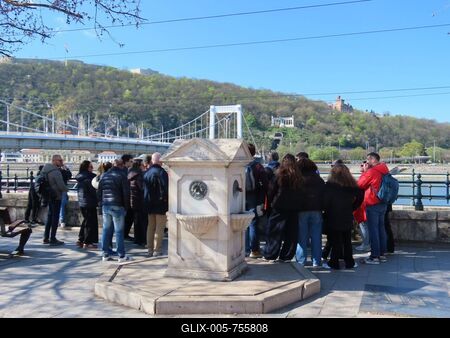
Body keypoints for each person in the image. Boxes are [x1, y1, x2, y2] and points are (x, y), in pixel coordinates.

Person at [322, 164, 364, 269]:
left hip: (332, 215)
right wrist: (352, 208)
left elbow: (324, 202)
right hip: (346, 215)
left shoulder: (329, 186)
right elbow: (360, 197)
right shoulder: (352, 186)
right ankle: (350, 262)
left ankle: (334, 263)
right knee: (347, 241)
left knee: (335, 240)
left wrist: (327, 209)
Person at [264, 154, 302, 262]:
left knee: (275, 231)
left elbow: (271, 190)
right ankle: (286, 255)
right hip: (294, 207)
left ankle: (271, 254)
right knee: (291, 233)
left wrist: (271, 203)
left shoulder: (278, 174)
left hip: (279, 206)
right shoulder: (298, 177)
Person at [358, 152, 389, 265]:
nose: (366, 162)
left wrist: (365, 172)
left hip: (373, 202)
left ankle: (375, 256)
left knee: (373, 230)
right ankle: (382, 254)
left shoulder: (372, 171)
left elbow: (359, 185)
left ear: (372, 159)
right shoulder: (384, 169)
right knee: (381, 228)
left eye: (367, 160)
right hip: (383, 203)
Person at [98, 159, 131, 262]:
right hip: (117, 205)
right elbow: (126, 193)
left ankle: (105, 254)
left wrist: (100, 205)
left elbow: (99, 192)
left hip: (106, 205)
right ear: (121, 166)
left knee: (106, 230)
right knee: (119, 231)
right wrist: (126, 207)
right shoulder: (122, 176)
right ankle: (121, 255)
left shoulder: (104, 175)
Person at [296, 158, 325, 267]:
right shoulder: (319, 180)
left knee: (302, 238)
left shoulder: (298, 179)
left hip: (302, 210)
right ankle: (316, 261)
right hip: (317, 210)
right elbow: (324, 195)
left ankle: (301, 261)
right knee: (317, 237)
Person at [245, 144, 269, 259]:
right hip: (253, 198)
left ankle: (243, 250)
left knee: (242, 224)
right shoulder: (258, 166)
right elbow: (265, 185)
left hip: (238, 197)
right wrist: (262, 200)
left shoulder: (238, 165)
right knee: (253, 224)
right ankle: (254, 251)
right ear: (254, 153)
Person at [144, 152, 168, 257]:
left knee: (150, 227)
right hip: (160, 203)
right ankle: (157, 250)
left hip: (148, 203)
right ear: (160, 161)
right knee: (160, 227)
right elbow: (166, 188)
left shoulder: (146, 172)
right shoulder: (161, 172)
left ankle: (149, 249)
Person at [42, 154, 68, 245]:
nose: (62, 162)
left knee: (49, 217)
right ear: (54, 161)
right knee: (55, 218)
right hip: (56, 196)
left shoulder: (45, 170)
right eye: (60, 161)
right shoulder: (55, 172)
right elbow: (61, 185)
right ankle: (53, 238)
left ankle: (46, 237)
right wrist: (66, 189)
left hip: (49, 196)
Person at [75, 160, 98, 249]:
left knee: (86, 221)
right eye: (91, 167)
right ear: (87, 168)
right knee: (90, 223)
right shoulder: (90, 178)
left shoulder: (80, 177)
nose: (92, 169)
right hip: (90, 202)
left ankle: (81, 240)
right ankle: (87, 242)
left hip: (82, 202)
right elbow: (93, 192)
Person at [127, 158, 146, 246]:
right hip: (138, 200)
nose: (143, 166)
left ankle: (137, 239)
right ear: (139, 165)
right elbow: (141, 188)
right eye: (142, 164)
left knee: (136, 220)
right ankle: (140, 239)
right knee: (140, 221)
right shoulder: (139, 174)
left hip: (131, 200)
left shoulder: (129, 173)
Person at [355, 161, 370, 252]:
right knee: (364, 225)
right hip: (364, 204)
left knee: (363, 225)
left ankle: (366, 244)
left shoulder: (366, 176)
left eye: (362, 165)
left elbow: (359, 186)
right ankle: (366, 243)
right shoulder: (367, 175)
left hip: (363, 204)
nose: (360, 166)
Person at [58, 164, 72, 228]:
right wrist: (67, 169)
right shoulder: (63, 171)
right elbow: (69, 175)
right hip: (63, 189)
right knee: (62, 206)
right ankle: (62, 221)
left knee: (57, 206)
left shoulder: (54, 171)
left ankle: (58, 221)